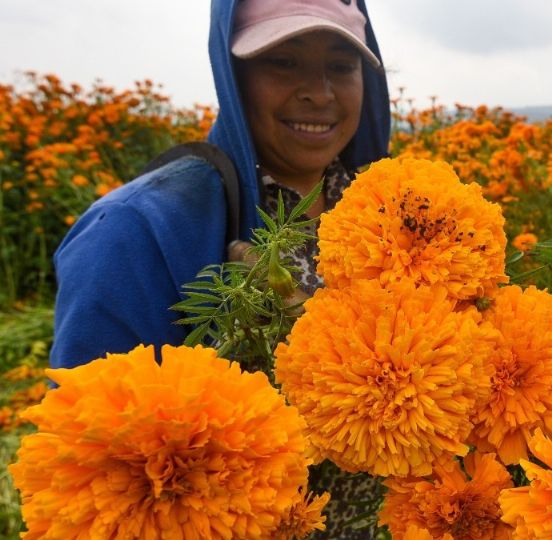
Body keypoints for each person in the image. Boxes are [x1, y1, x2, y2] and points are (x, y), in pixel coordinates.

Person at [50, 0, 390, 536]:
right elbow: (91, 470)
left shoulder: (394, 211)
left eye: (341, 65)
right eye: (284, 61)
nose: (319, 92)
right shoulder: (135, 230)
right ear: (232, 75)